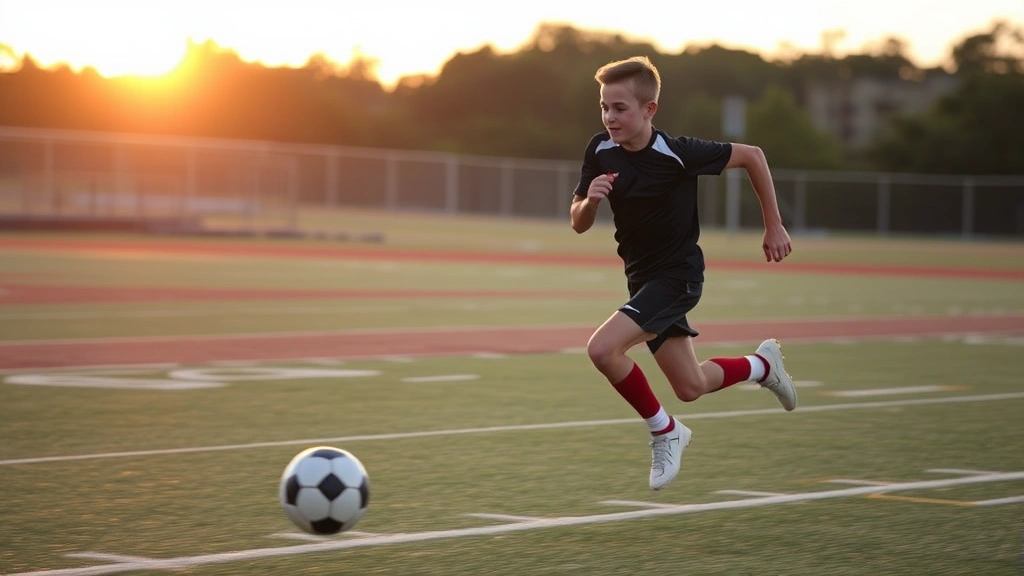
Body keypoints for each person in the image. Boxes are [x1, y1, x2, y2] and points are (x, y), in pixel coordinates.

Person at [569, 56, 797, 491]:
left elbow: (753, 155)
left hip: (678, 277)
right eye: (604, 107)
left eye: (620, 108)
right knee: (690, 385)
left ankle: (664, 430)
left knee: (602, 350)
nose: (609, 117)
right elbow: (577, 221)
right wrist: (590, 203)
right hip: (642, 281)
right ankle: (760, 365)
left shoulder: (678, 153)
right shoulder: (599, 149)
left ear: (649, 109)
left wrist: (773, 223)